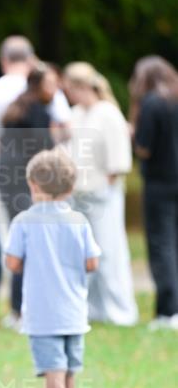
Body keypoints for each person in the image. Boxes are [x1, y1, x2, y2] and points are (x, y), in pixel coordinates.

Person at [5, 148, 100, 388]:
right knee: (70, 371)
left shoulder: (24, 220)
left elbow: (12, 263)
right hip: (74, 311)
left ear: (33, 185)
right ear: (70, 188)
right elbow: (92, 263)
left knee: (53, 373)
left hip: (44, 314)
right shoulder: (79, 220)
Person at [0, 37, 71, 312]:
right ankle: (22, 305)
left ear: (4, 60)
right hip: (32, 180)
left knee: (2, 237)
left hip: (2, 175)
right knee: (26, 240)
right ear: (31, 60)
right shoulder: (41, 99)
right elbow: (64, 131)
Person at [63, 62, 138, 326]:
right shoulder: (76, 114)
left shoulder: (107, 113)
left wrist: (104, 187)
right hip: (79, 195)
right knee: (84, 254)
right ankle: (92, 309)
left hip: (103, 195)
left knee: (109, 251)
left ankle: (122, 312)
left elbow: (117, 159)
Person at [0, 62, 58, 317]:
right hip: (25, 187)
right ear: (39, 85)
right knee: (31, 245)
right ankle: (24, 307)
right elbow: (45, 155)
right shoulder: (37, 113)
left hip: (9, 185)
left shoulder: (17, 107)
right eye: (51, 84)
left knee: (20, 242)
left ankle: (16, 307)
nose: (55, 90)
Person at [129, 56, 178, 330]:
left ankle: (169, 310)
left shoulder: (151, 103)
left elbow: (144, 148)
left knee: (161, 245)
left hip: (160, 182)